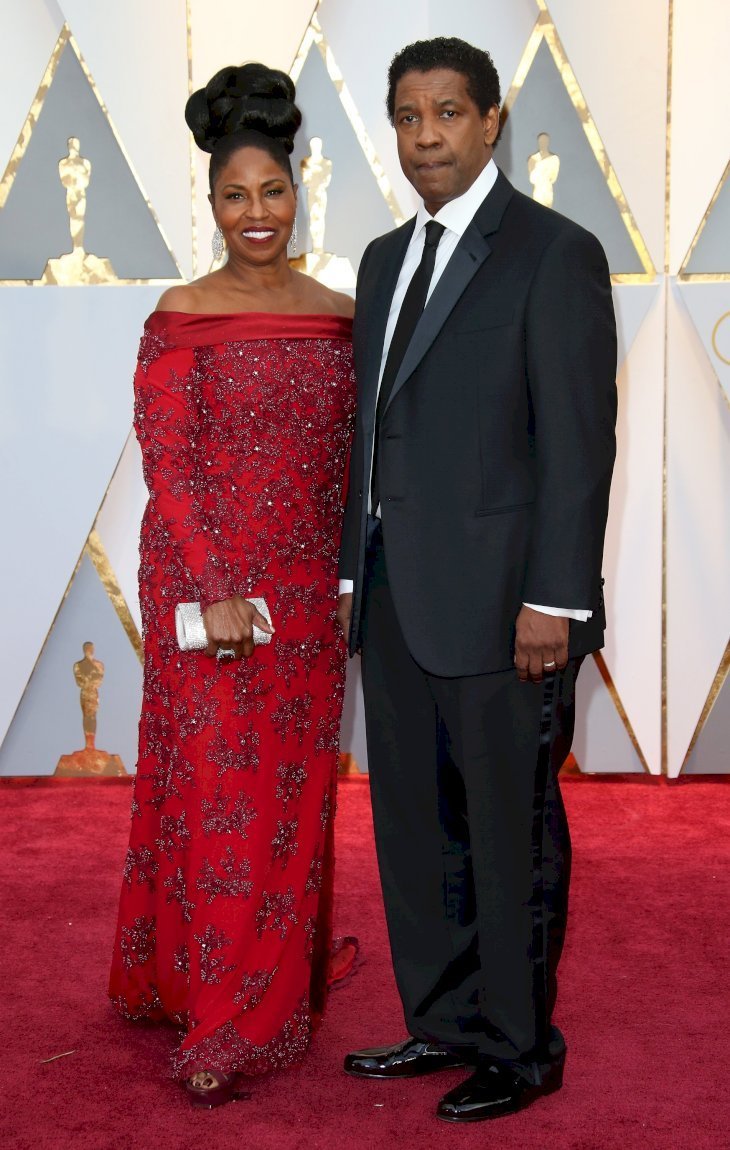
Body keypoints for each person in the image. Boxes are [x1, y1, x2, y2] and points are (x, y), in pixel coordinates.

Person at [338, 38, 616, 1123]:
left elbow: (578, 440)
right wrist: (353, 582)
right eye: (407, 118)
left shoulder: (553, 252)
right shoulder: (377, 259)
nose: (425, 138)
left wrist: (556, 597)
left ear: (491, 121)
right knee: (414, 825)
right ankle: (443, 1019)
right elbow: (375, 432)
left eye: (446, 113)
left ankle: (517, 1043)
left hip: (509, 608)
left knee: (508, 829)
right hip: (395, 595)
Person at [108, 62, 356, 1109]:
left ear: (299, 192)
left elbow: (354, 459)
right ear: (207, 205)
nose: (256, 212)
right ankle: (216, 1020)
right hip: (207, 588)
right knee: (216, 799)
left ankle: (267, 983)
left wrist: (348, 580)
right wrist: (213, 586)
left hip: (307, 595)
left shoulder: (342, 312)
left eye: (273, 191)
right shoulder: (183, 311)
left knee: (291, 801)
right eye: (234, 195)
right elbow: (169, 456)